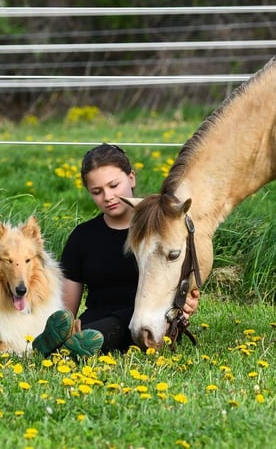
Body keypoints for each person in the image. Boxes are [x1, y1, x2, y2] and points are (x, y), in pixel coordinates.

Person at [33, 143, 200, 358]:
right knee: (87, 331)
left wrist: (187, 302)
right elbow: (66, 308)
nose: (108, 196)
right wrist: (66, 323)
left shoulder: (159, 231)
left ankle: (78, 345)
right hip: (94, 322)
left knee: (117, 323)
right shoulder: (82, 236)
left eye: (114, 185)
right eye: (97, 191)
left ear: (131, 178)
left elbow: (179, 278)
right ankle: (69, 343)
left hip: (146, 321)